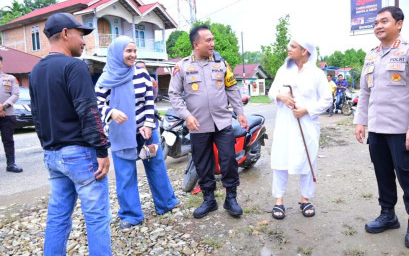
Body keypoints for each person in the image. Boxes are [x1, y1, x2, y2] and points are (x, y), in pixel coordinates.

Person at [29, 13, 112, 255]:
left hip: (53, 155)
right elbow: (88, 111)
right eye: (81, 34)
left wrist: (48, 146)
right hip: (80, 154)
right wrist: (101, 150)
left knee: (58, 216)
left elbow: (37, 116)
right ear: (65, 34)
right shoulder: (74, 66)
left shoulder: (36, 71)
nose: (85, 41)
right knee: (97, 218)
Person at [353, 6, 409, 249]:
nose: (378, 26)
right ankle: (388, 214)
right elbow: (365, 91)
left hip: (402, 130)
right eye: (376, 22)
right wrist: (360, 121)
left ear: (399, 24)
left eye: (384, 21)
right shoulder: (372, 55)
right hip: (377, 129)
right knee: (382, 173)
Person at [96, 36, 179, 229]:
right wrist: (111, 112)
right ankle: (131, 215)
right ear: (118, 53)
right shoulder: (106, 78)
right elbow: (97, 103)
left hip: (146, 131)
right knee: (125, 175)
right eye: (128, 51)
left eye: (134, 51)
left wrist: (149, 124)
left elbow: (150, 102)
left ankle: (166, 203)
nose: (133, 55)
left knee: (157, 166)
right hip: (120, 133)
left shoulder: (142, 75)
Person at [169, 24, 248, 219]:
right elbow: (174, 94)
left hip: (222, 123)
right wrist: (186, 115)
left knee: (229, 160)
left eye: (213, 40)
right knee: (203, 164)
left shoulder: (222, 64)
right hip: (198, 126)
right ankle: (209, 200)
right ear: (196, 44)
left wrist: (240, 112)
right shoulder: (183, 67)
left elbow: (232, 89)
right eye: (208, 40)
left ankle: (231, 199)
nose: (213, 43)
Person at [268, 37, 332, 220]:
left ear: (304, 51)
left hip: (307, 125)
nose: (289, 49)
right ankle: (279, 201)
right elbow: (272, 92)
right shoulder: (283, 70)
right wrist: (280, 96)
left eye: (293, 46)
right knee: (280, 160)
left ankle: (306, 199)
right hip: (285, 125)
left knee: (308, 160)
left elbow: (327, 100)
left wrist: (307, 110)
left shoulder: (317, 74)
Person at [0, 55, 23, 173]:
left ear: (1, 64)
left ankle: (11, 164)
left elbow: (15, 95)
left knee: (8, 140)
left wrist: (3, 106)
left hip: (7, 115)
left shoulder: (10, 78)